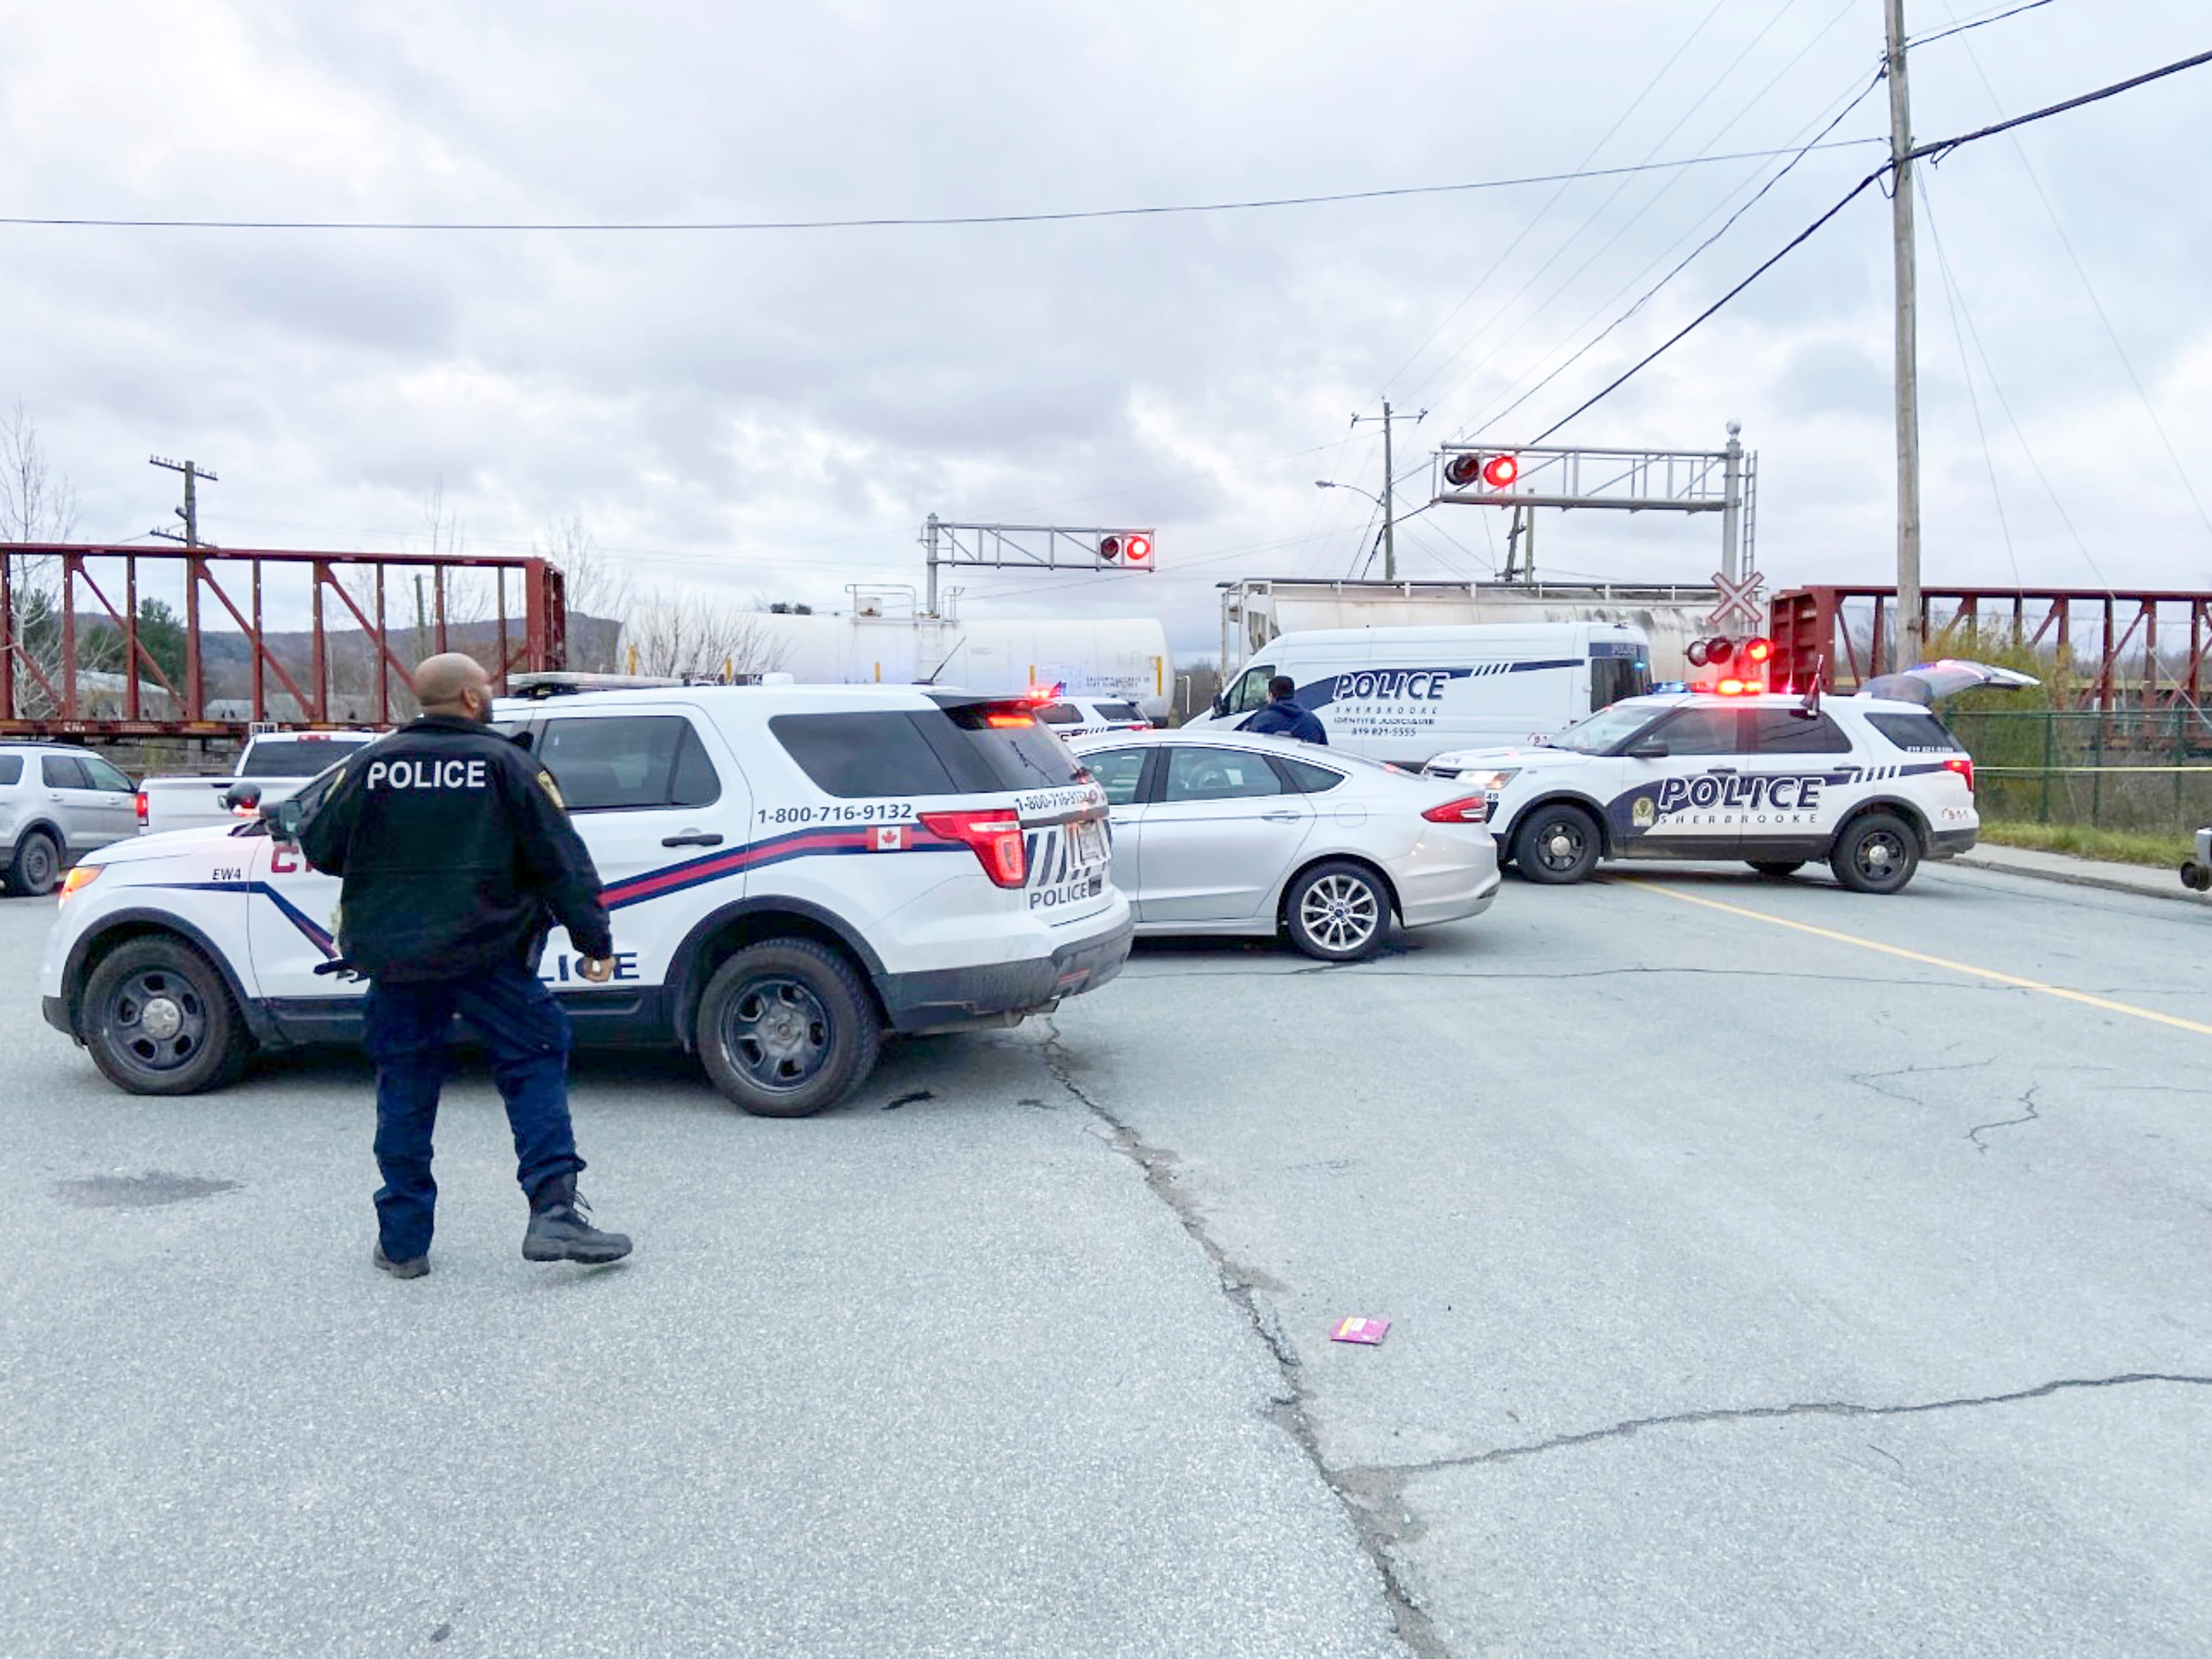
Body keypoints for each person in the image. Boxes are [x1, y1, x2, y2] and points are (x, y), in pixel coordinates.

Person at [298, 652, 632, 1278]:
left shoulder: (370, 766)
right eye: (487, 688)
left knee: (405, 1085)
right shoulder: (509, 765)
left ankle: (402, 1243)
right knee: (534, 1061)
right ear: (473, 700)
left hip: (398, 963)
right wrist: (594, 940)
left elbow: (319, 846)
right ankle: (554, 1212)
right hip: (490, 955)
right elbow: (562, 862)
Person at [1237, 675, 1328, 744]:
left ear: (1271, 695)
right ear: (1293, 694)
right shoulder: (1312, 720)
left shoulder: (1261, 720)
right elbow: (1324, 750)